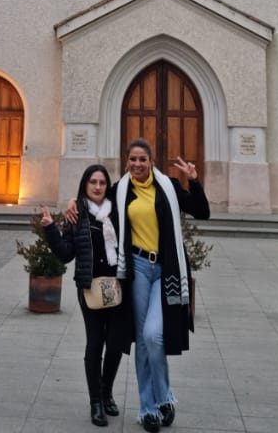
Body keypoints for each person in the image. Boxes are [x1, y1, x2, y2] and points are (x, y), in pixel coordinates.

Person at [67, 139, 210, 432]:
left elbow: (201, 211)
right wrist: (73, 202)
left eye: (142, 159)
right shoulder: (120, 190)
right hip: (138, 268)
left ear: (151, 161)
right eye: (132, 159)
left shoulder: (168, 186)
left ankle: (164, 395)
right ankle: (148, 409)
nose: (137, 164)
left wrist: (194, 181)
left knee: (154, 336)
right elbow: (94, 199)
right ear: (127, 161)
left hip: (165, 269)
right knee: (143, 340)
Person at [41, 164, 131, 427]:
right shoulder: (76, 214)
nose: (98, 187)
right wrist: (50, 229)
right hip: (90, 288)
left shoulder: (118, 210)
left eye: (102, 182)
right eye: (93, 182)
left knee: (115, 344)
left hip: (117, 287)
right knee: (95, 343)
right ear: (85, 185)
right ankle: (96, 402)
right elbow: (65, 254)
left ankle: (107, 391)